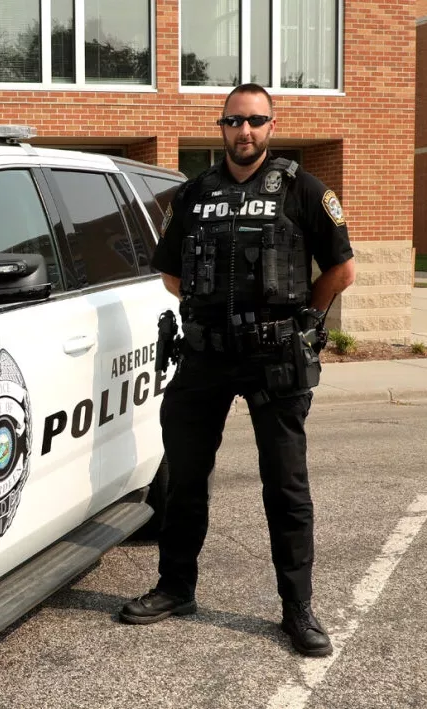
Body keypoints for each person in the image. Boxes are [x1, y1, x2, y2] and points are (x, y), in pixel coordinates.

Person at [119, 83, 355, 658]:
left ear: (272, 126)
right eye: (233, 121)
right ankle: (176, 588)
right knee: (185, 479)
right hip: (204, 357)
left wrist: (301, 322)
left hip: (275, 358)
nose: (244, 131)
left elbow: (341, 271)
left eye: (255, 121)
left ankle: (296, 608)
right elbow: (172, 273)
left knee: (286, 487)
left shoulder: (304, 190)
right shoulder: (195, 193)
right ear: (220, 126)